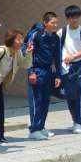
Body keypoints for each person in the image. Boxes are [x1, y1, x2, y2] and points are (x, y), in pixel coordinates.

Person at [0, 29, 33, 144]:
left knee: (0, 111)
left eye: (22, 39)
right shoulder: (0, 51)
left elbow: (25, 65)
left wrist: (29, 53)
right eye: (19, 39)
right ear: (11, 40)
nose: (21, 41)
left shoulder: (17, 53)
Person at [57, 5, 81, 134]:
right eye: (71, 17)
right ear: (67, 18)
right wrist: (63, 58)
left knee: (79, 94)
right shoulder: (62, 32)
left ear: (79, 17)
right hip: (66, 66)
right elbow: (57, 47)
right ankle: (77, 121)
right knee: (69, 95)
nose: (74, 20)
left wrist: (74, 56)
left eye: (76, 17)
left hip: (79, 66)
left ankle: (78, 122)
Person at [27, 11, 62, 140]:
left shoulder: (55, 38)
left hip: (48, 72)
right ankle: (34, 130)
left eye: (56, 23)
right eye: (53, 23)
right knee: (37, 101)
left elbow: (58, 57)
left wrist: (58, 75)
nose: (55, 25)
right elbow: (28, 53)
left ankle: (41, 127)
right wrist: (31, 71)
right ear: (45, 23)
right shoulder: (37, 35)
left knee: (45, 101)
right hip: (36, 71)